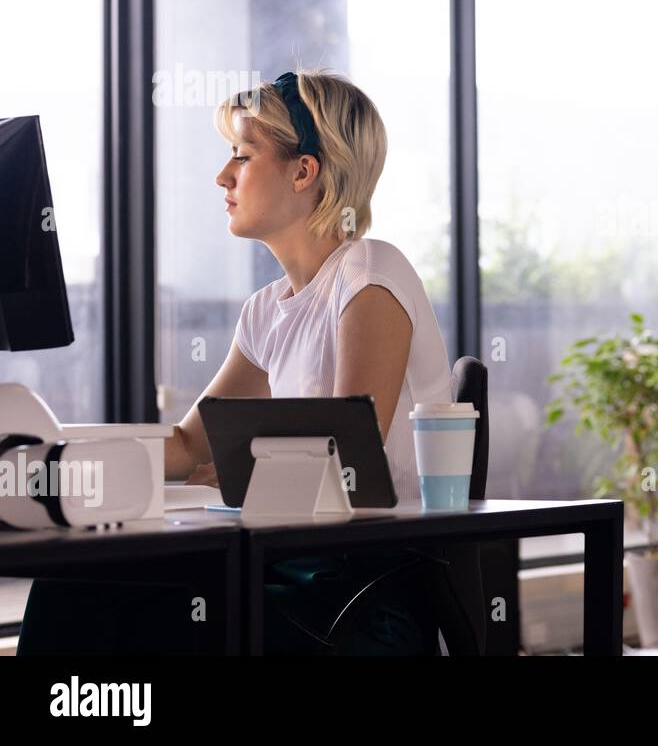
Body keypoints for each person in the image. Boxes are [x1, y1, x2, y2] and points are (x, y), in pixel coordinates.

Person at [19, 70, 454, 655]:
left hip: (363, 601)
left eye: (243, 157)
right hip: (286, 573)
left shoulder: (370, 271)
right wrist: (51, 454)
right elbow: (186, 446)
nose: (222, 176)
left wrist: (239, 477)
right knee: (73, 583)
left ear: (305, 171)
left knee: (114, 608)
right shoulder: (264, 312)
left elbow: (353, 453)